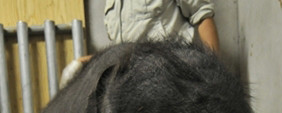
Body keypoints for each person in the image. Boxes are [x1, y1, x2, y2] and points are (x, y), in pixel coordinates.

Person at [60, 0, 219, 87]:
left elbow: (202, 15)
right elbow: (125, 47)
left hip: (169, 76)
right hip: (130, 81)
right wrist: (89, 62)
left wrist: (213, 72)